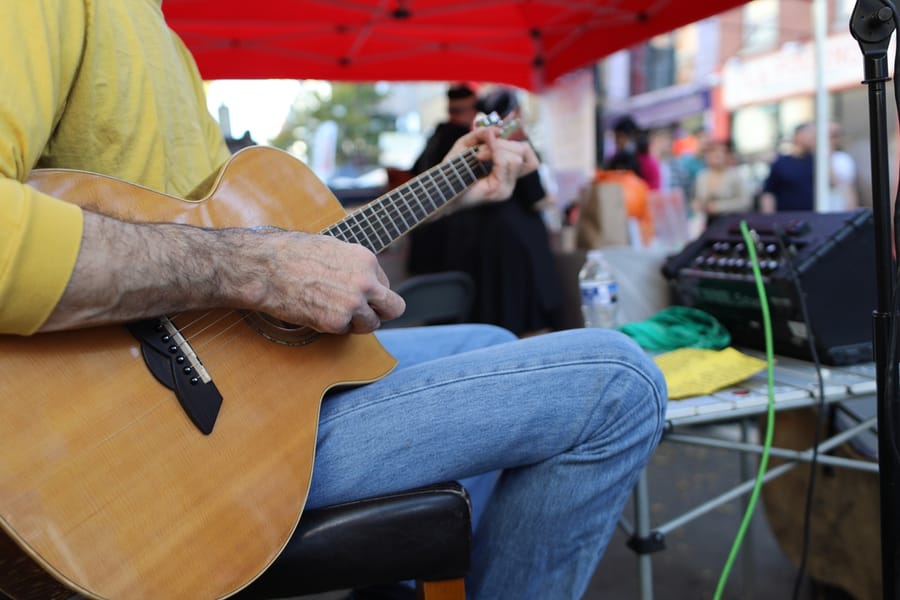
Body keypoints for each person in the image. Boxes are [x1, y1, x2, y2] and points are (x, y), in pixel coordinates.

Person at [0, 3, 666, 600]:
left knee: (487, 342)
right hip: (153, 451)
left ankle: (396, 588)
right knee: (620, 382)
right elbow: (245, 259)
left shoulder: (156, 29)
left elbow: (257, 236)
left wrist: (449, 185)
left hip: (229, 367)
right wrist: (253, 269)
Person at [447, 86, 565, 336]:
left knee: (498, 315)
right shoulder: (515, 137)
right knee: (530, 315)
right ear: (515, 112)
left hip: (484, 239)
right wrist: (550, 200)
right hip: (519, 239)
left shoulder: (479, 141)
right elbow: (536, 197)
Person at [405, 82, 480, 276]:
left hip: (423, 227)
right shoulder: (464, 140)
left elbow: (414, 173)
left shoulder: (436, 135)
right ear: (470, 109)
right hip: (450, 234)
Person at [691, 138, 753, 227]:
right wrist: (697, 204)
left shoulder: (734, 175)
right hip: (707, 223)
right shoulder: (702, 176)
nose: (716, 155)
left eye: (720, 152)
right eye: (712, 152)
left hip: (731, 223)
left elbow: (745, 202)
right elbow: (696, 198)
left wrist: (718, 207)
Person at [759, 122, 815, 213]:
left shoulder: (818, 163)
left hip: (814, 218)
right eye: (810, 133)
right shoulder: (781, 162)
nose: (813, 137)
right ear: (798, 136)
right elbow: (768, 192)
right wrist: (769, 219)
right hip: (786, 219)